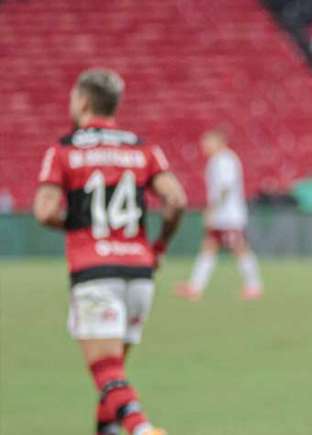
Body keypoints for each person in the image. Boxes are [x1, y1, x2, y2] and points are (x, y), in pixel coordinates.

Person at [33, 68, 187, 435]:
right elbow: (177, 200)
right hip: (139, 273)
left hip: (94, 271)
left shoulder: (64, 149)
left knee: (107, 373)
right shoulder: (142, 147)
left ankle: (142, 429)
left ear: (83, 101)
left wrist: (76, 223)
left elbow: (44, 210)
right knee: (113, 381)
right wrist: (159, 246)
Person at [175, 129, 263, 301]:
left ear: (219, 142)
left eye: (207, 142)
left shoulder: (224, 160)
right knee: (209, 248)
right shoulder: (219, 160)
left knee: (239, 249)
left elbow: (225, 188)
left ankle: (254, 286)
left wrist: (212, 209)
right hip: (223, 216)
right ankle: (195, 286)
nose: (204, 147)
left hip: (228, 217)